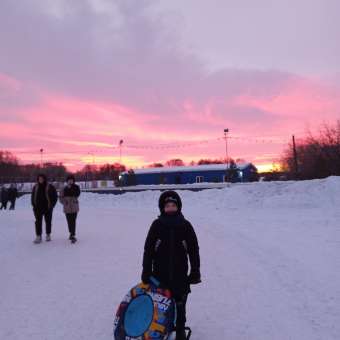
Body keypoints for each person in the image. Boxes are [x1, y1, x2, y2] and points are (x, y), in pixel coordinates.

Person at [142, 191, 201, 340]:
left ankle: (180, 329)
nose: (170, 208)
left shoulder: (185, 226)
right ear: (162, 208)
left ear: (178, 207)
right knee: (161, 304)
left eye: (173, 205)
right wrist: (146, 270)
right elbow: (148, 250)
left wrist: (195, 271)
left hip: (180, 275)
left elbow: (193, 250)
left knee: (180, 304)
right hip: (159, 275)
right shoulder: (156, 225)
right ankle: (161, 328)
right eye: (167, 206)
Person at [31, 174, 58, 244]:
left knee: (48, 222)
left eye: (42, 178)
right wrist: (34, 206)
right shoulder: (35, 187)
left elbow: (55, 196)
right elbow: (32, 197)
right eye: (39, 179)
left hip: (48, 208)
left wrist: (52, 205)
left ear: (44, 179)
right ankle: (38, 236)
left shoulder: (50, 186)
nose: (41, 180)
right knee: (38, 222)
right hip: (38, 208)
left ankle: (48, 234)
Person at [59, 174, 81, 243]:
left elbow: (77, 194)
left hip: (74, 206)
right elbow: (60, 197)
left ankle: (73, 235)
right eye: (69, 180)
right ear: (67, 181)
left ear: (73, 181)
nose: (70, 181)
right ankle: (71, 233)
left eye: (71, 180)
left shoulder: (76, 187)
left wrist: (71, 188)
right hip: (67, 207)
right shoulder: (64, 188)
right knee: (69, 221)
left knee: (73, 220)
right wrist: (64, 202)